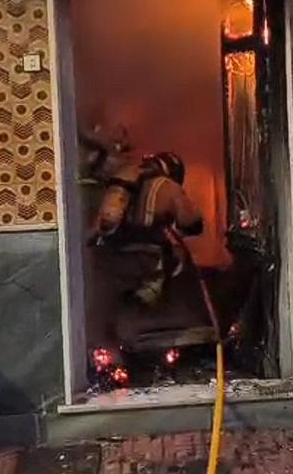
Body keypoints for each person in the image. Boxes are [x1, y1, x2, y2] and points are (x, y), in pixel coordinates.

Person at [85, 152, 206, 379]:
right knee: (173, 288)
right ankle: (160, 342)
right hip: (148, 263)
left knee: (106, 317)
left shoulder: (121, 184)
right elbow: (189, 222)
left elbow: (97, 228)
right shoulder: (169, 188)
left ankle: (114, 364)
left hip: (111, 261)